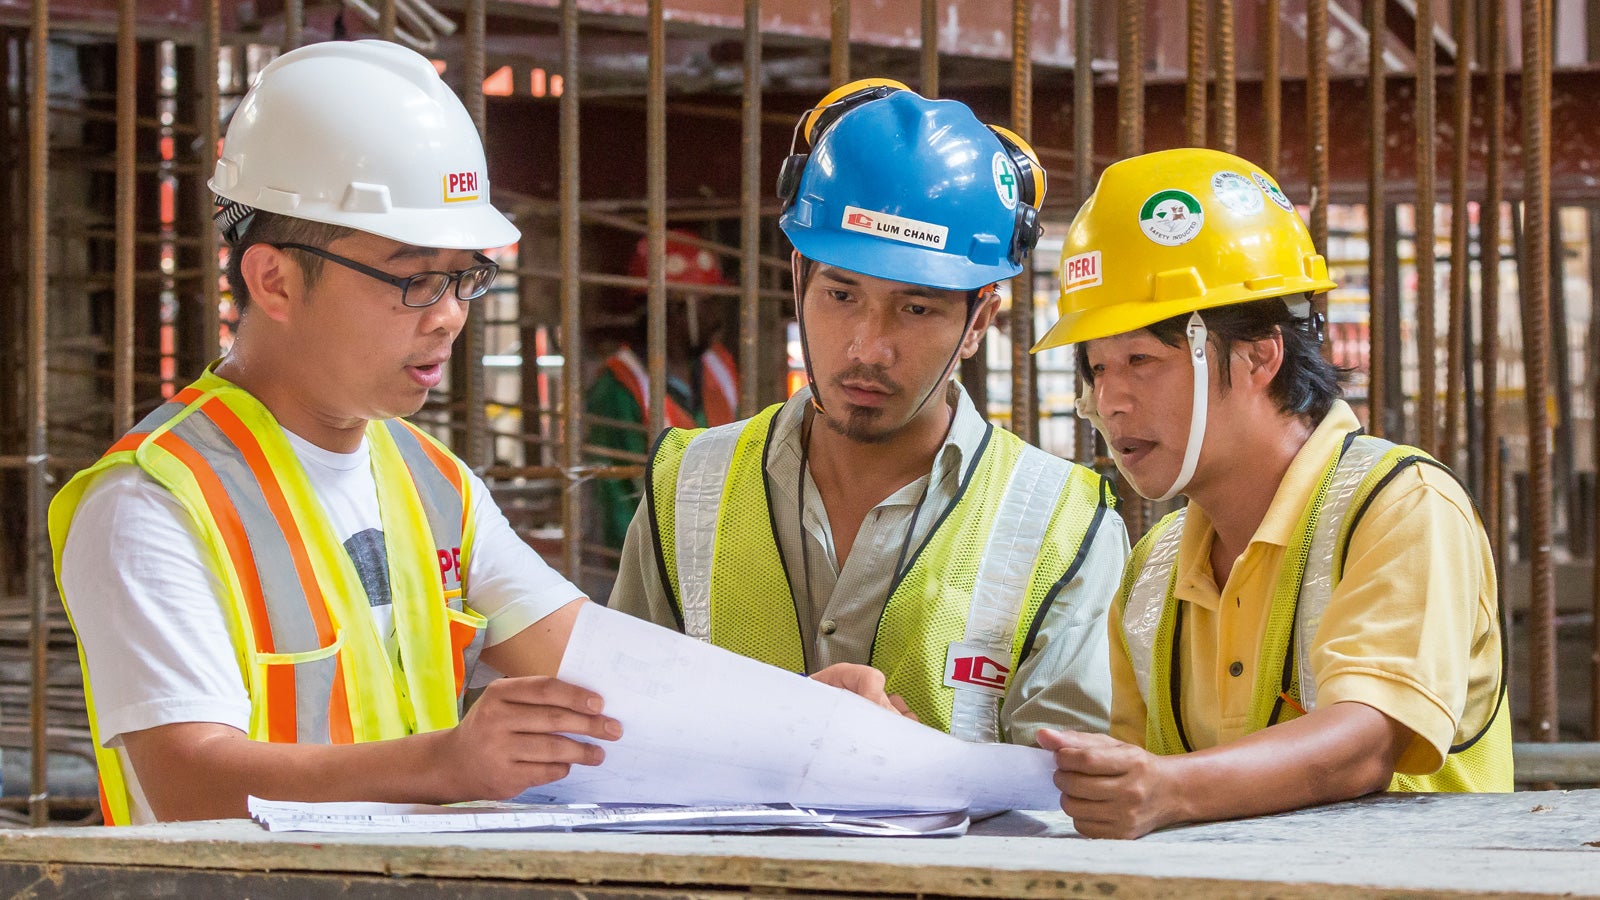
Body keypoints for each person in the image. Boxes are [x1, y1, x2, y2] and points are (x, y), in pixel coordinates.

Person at [50, 41, 889, 826]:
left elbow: (599, 672)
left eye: (466, 279)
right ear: (272, 278)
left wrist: (801, 713)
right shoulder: (156, 502)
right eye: (415, 281)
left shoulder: (430, 482)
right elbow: (188, 777)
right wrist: (445, 764)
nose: (450, 316)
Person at [610, 79, 1129, 745]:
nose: (867, 347)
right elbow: (618, 734)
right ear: (797, 276)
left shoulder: (1063, 526)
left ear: (979, 321)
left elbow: (1070, 803)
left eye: (916, 308)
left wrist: (908, 762)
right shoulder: (687, 487)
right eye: (840, 294)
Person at [1030, 148, 1512, 839]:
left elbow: (1366, 742)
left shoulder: (1402, 507)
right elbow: (1138, 787)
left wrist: (1168, 788)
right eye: (1096, 369)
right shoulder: (1151, 575)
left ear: (1261, 354)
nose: (1111, 401)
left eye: (1141, 360)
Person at [588, 231, 740, 550]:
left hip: (724, 552)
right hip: (655, 568)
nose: (716, 317)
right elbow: (618, 507)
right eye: (707, 303)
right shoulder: (619, 387)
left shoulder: (719, 365)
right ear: (670, 309)